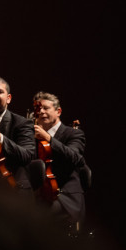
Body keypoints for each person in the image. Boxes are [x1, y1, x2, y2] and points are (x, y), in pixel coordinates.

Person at [32, 91, 87, 230]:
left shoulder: (73, 134)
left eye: (46, 108)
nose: (41, 112)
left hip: (64, 198)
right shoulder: (32, 136)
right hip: (40, 195)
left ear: (58, 111)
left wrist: (49, 138)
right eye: (38, 109)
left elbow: (76, 158)